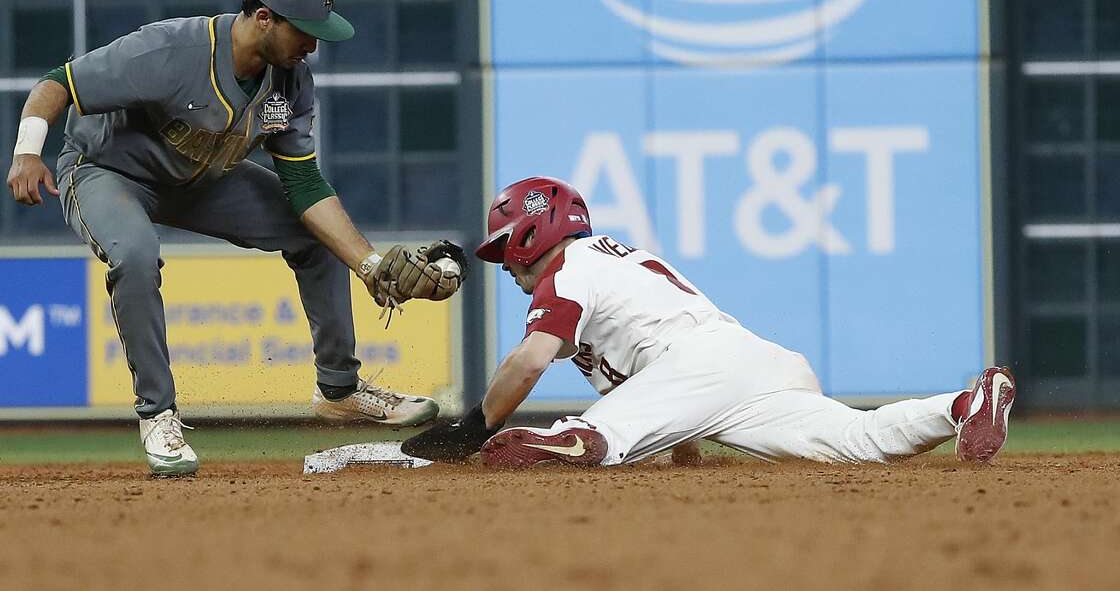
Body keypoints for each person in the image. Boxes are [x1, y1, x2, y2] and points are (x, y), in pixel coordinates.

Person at [6, 0, 465, 476]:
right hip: (108, 172)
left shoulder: (289, 82)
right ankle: (158, 414)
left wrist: (369, 263)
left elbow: (304, 184)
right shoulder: (170, 49)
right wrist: (26, 151)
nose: (314, 44)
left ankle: (339, 387)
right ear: (264, 18)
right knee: (135, 255)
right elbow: (56, 83)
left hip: (200, 180)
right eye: (305, 31)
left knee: (314, 234)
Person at [401, 176, 1015, 469]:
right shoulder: (616, 264)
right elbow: (665, 399)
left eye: (505, 246)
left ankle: (560, 441)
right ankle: (961, 405)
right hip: (749, 363)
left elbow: (529, 361)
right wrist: (682, 464)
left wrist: (479, 425)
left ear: (537, 233)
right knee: (860, 442)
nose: (503, 262)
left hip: (703, 364)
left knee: (594, 439)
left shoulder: (569, 271)